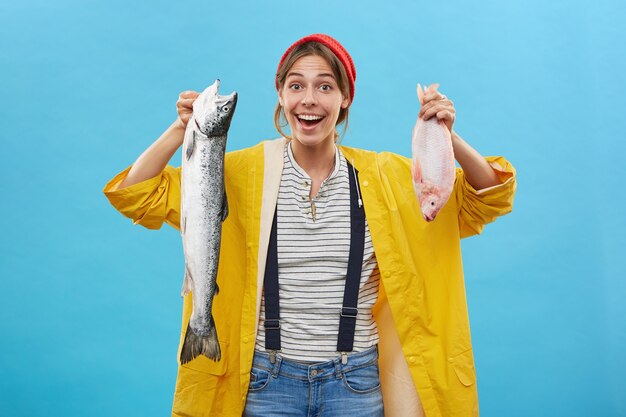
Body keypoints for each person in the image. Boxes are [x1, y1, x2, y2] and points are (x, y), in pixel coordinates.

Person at [103, 34, 516, 417]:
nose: (309, 100)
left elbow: (486, 199)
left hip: (357, 383)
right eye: (296, 86)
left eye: (324, 86)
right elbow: (137, 195)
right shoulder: (241, 173)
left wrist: (448, 137)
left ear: (346, 97)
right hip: (264, 383)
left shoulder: (387, 177)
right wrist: (183, 131)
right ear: (281, 96)